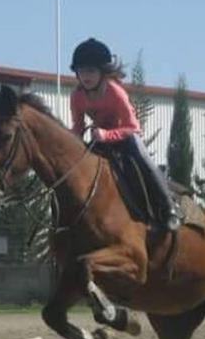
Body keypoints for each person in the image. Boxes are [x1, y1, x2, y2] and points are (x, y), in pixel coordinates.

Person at [69, 38, 181, 231]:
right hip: (99, 141)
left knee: (143, 157)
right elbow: (78, 127)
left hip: (126, 139)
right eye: (81, 71)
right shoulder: (77, 96)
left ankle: (169, 207)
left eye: (91, 71)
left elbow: (133, 127)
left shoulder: (116, 92)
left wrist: (107, 135)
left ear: (103, 73)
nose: (85, 76)